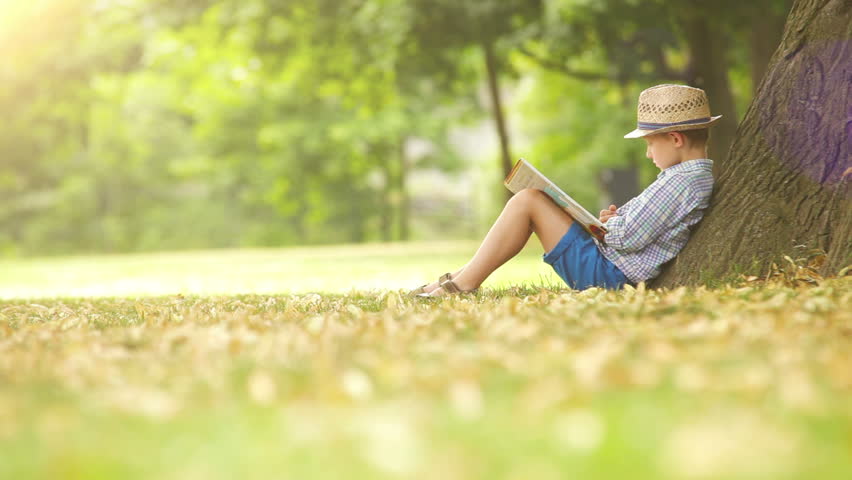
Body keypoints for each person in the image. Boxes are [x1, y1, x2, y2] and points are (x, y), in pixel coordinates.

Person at [413, 84, 719, 297]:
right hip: (608, 265)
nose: (648, 155)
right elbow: (642, 226)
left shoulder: (682, 182)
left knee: (528, 201)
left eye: (650, 144)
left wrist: (613, 225)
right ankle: (459, 279)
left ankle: (462, 283)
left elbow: (627, 238)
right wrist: (616, 218)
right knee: (530, 200)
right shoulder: (687, 179)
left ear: (676, 139)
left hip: (608, 276)